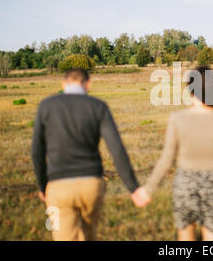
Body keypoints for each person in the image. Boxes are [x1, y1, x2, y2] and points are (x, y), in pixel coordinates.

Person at [31, 68, 150, 241]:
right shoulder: (98, 106)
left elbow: (36, 151)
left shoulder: (46, 105)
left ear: (63, 84)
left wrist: (43, 187)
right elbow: (116, 149)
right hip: (91, 185)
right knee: (89, 235)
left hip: (58, 187)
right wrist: (133, 187)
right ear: (88, 84)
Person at [136, 66, 213, 240]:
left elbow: (167, 159)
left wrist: (148, 189)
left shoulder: (177, 118)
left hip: (185, 185)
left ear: (190, 90)